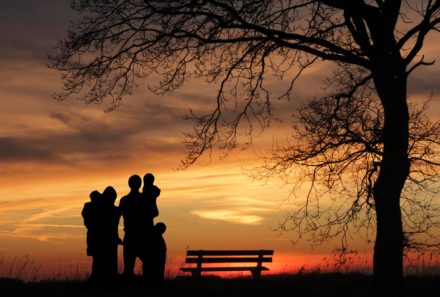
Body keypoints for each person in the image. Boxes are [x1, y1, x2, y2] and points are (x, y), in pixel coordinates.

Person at [119, 174, 152, 278]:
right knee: (145, 265)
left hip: (131, 235)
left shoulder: (124, 200)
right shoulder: (144, 198)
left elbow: (117, 216)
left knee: (130, 267)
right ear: (140, 184)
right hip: (141, 235)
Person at [81, 190, 101, 281]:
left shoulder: (89, 206)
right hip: (94, 234)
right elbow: (86, 219)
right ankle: (96, 276)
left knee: (97, 257)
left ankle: (96, 275)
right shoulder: (89, 206)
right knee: (96, 256)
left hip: (93, 234)